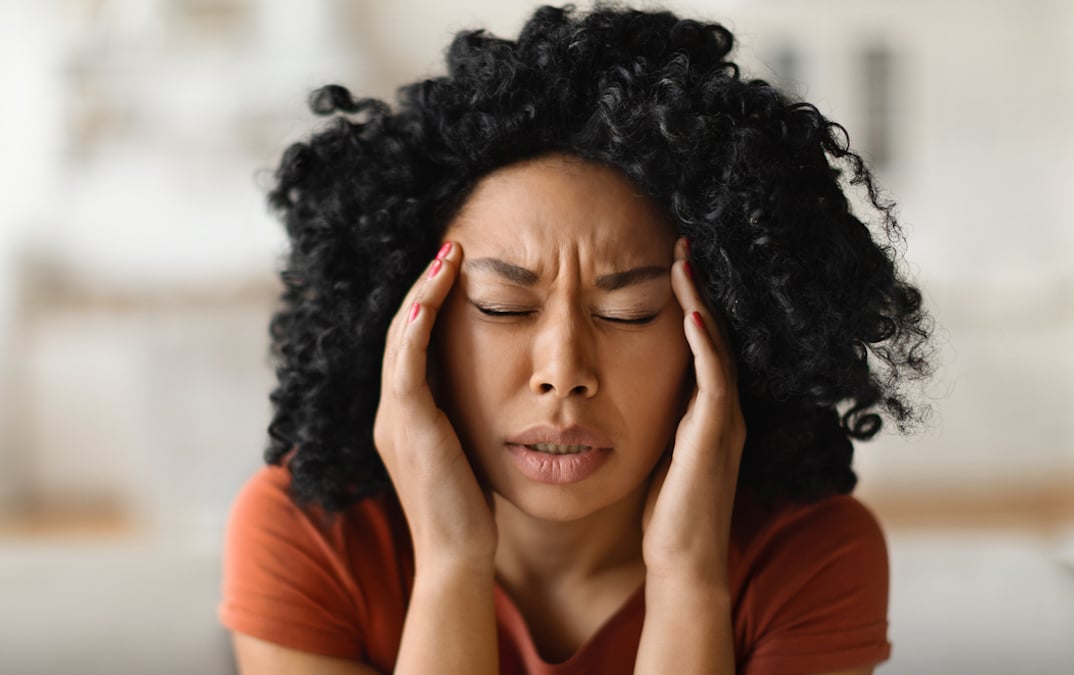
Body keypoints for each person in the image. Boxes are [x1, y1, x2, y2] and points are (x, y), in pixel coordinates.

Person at [219, 4, 933, 674]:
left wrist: (689, 578)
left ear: (726, 335)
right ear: (415, 324)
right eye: (502, 307)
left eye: (629, 312)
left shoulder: (808, 554)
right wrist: (450, 565)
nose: (564, 372)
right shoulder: (311, 533)